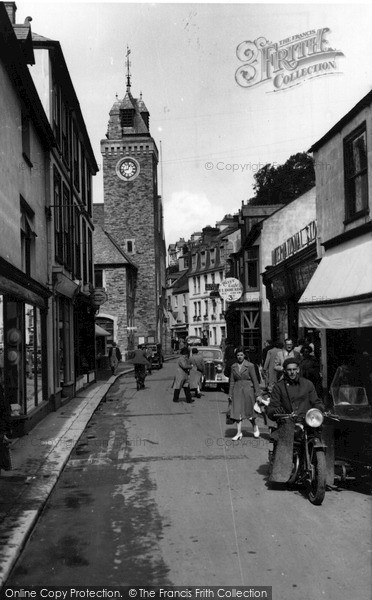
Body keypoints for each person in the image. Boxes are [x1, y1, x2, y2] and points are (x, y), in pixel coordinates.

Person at [267, 357, 325, 421]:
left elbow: (316, 402)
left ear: (298, 370)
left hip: (306, 421)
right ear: (285, 370)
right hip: (287, 422)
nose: (292, 372)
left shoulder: (307, 384)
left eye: (294, 369)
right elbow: (272, 407)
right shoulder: (279, 386)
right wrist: (275, 411)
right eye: (289, 370)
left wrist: (320, 408)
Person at [228, 346, 263, 440]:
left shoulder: (250, 365)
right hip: (237, 390)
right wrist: (230, 394)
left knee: (249, 411)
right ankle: (238, 432)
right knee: (237, 411)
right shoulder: (233, 366)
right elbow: (232, 381)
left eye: (241, 355)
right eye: (238, 355)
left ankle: (255, 427)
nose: (240, 357)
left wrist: (258, 394)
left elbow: (255, 381)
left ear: (244, 356)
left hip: (248, 390)